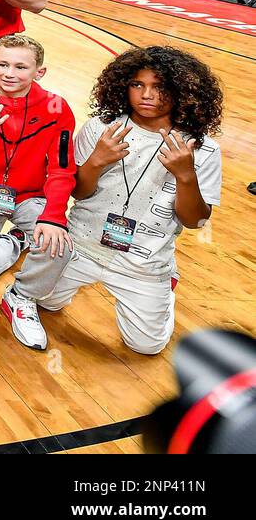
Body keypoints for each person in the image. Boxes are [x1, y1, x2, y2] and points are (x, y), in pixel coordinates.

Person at [30, 47, 224, 356]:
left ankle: (165, 283)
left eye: (159, 87)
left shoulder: (202, 149)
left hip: (142, 260)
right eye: (137, 84)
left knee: (147, 346)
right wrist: (96, 161)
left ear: (182, 92)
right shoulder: (101, 128)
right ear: (124, 85)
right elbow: (78, 192)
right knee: (43, 300)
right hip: (82, 244)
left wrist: (186, 176)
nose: (147, 95)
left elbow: (195, 221)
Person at [0, 35, 76, 350]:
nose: (10, 73)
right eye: (3, 65)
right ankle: (15, 241)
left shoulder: (57, 109)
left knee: (58, 243)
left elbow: (62, 169)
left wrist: (53, 217)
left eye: (21, 66)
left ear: (40, 71)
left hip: (28, 196)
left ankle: (22, 296)